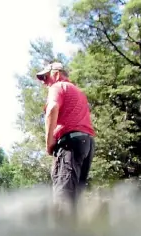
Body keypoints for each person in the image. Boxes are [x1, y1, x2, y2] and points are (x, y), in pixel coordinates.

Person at [36, 62, 95, 221]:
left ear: (56, 73)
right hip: (87, 144)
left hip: (70, 143)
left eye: (45, 77)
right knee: (75, 198)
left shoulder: (57, 86)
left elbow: (52, 110)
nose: (44, 82)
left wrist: (49, 142)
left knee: (63, 196)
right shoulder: (79, 92)